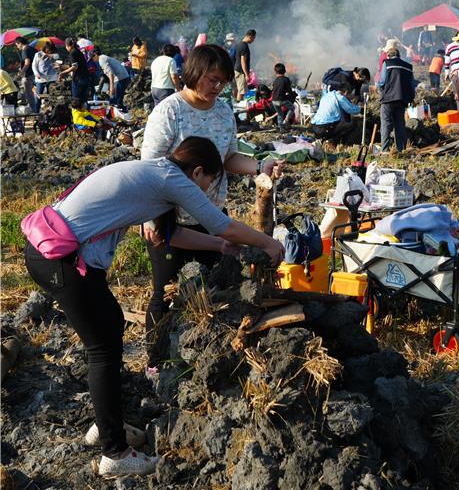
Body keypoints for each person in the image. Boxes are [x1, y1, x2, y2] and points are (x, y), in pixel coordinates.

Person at [23, 136, 284, 477]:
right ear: (199, 171)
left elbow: (168, 237)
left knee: (111, 329)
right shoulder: (171, 178)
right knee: (103, 348)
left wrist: (221, 247)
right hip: (62, 259)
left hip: (49, 250)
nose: (205, 192)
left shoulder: (155, 176)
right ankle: (114, 453)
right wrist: (268, 242)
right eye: (208, 184)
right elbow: (222, 222)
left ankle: (107, 426)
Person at [140, 45, 282, 371]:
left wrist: (259, 166)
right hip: (170, 218)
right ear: (194, 73)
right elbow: (149, 169)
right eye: (212, 80)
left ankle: (204, 358)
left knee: (215, 289)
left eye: (223, 82)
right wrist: (150, 216)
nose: (217, 88)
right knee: (165, 293)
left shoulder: (222, 112)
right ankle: (156, 363)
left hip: (213, 215)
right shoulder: (169, 112)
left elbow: (228, 158)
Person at [375, 42, 416, 152]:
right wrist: (411, 98)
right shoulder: (408, 66)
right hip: (402, 99)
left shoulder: (387, 63)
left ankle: (385, 150)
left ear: (388, 55)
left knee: (386, 124)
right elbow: (412, 85)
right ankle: (400, 149)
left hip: (388, 98)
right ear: (399, 55)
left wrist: (379, 90)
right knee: (400, 124)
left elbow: (382, 81)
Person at [59, 37, 92, 108]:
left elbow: (75, 66)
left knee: (76, 101)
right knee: (83, 100)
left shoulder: (72, 53)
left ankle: (77, 117)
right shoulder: (78, 52)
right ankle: (85, 115)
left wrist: (63, 73)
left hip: (78, 79)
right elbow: (75, 65)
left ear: (67, 46)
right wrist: (61, 66)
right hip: (86, 78)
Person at [32, 42, 59, 112]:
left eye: (50, 50)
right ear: (45, 48)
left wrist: (47, 55)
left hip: (52, 78)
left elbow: (57, 57)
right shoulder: (38, 54)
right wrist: (36, 73)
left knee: (52, 96)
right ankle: (36, 112)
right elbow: (34, 66)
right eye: (48, 49)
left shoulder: (54, 55)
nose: (49, 51)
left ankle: (53, 111)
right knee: (38, 96)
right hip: (40, 79)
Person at [270, 63, 297, 131]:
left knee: (280, 114)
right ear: (285, 71)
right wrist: (292, 94)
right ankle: (286, 120)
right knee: (293, 108)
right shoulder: (286, 79)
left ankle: (281, 128)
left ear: (276, 72)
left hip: (274, 101)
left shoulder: (275, 80)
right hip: (281, 100)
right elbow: (289, 90)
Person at [14, 36, 37, 111]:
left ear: (20, 43)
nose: (17, 47)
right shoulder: (33, 49)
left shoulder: (24, 50)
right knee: (35, 93)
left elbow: (27, 63)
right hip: (35, 74)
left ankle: (34, 110)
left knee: (29, 94)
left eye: (17, 45)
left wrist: (20, 73)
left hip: (29, 75)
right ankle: (36, 108)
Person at [234, 29, 256, 101]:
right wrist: (246, 74)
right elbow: (243, 61)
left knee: (240, 90)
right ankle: (238, 107)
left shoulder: (240, 44)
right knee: (242, 91)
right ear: (250, 36)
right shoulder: (244, 46)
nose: (253, 40)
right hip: (240, 71)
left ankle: (238, 104)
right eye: (253, 38)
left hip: (238, 70)